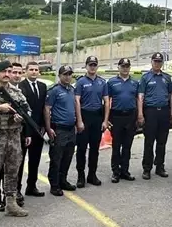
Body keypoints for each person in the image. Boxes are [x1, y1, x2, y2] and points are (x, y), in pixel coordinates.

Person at [0, 60, 28, 221]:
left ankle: (11, 203)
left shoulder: (16, 92)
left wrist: (20, 117)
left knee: (13, 171)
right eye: (4, 71)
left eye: (10, 71)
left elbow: (26, 110)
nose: (7, 74)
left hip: (14, 136)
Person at [73, 56, 108, 188]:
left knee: (95, 149)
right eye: (90, 65)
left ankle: (92, 175)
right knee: (81, 149)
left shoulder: (102, 82)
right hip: (84, 116)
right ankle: (80, 176)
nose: (92, 67)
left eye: (94, 65)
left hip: (97, 117)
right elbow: (77, 101)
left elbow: (106, 102)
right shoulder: (81, 82)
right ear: (86, 66)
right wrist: (79, 121)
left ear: (97, 66)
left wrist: (105, 120)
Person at [139, 53, 172, 179]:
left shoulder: (167, 78)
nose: (157, 63)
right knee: (149, 141)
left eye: (160, 61)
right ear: (151, 62)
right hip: (150, 112)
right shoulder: (145, 78)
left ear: (162, 63)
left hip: (163, 112)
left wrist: (171, 114)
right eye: (155, 61)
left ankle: (160, 166)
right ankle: (147, 168)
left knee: (162, 142)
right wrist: (140, 114)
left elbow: (171, 97)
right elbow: (140, 97)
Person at [104, 58, 139, 182]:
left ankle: (125, 170)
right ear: (118, 67)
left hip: (130, 116)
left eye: (127, 66)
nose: (125, 68)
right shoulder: (111, 82)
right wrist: (106, 119)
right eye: (123, 66)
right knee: (116, 146)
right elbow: (107, 101)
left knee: (127, 146)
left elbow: (138, 99)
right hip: (117, 116)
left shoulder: (135, 83)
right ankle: (115, 172)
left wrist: (139, 116)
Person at [45, 64, 78, 195]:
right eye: (65, 74)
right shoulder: (54, 90)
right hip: (59, 128)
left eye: (70, 74)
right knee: (56, 158)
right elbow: (47, 109)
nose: (68, 77)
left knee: (68, 156)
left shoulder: (71, 89)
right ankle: (54, 184)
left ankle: (63, 180)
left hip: (71, 129)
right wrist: (48, 128)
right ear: (59, 76)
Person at [18, 61, 48, 198]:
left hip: (38, 130)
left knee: (35, 160)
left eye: (36, 69)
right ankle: (17, 189)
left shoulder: (42, 87)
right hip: (24, 131)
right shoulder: (20, 87)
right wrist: (26, 131)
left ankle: (31, 186)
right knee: (20, 161)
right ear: (26, 71)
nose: (34, 72)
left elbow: (43, 109)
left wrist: (44, 127)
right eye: (31, 69)